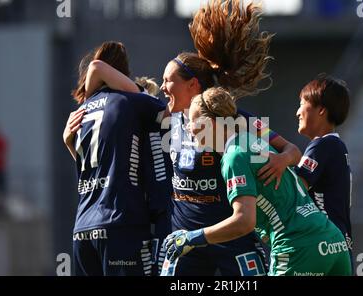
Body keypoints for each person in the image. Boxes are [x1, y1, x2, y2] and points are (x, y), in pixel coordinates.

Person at [73, 0, 302, 276]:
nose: (164, 86)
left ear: (192, 85)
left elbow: (291, 149)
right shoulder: (161, 116)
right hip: (184, 243)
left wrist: (282, 159)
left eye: (169, 80)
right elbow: (99, 73)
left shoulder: (231, 118)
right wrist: (78, 120)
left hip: (229, 237)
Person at [164, 87, 352, 276]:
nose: (188, 127)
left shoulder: (234, 156)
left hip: (297, 245)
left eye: (194, 121)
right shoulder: (249, 139)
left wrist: (193, 237)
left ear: (211, 123)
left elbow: (244, 221)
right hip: (333, 242)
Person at [63, 41, 171, 276]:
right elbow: (168, 113)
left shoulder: (83, 114)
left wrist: (67, 141)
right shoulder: (130, 100)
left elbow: (88, 165)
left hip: (83, 230)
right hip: (119, 223)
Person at [293, 74, 353, 261]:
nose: (297, 112)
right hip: (341, 243)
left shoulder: (322, 145)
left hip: (323, 244)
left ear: (321, 110)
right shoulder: (337, 146)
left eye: (302, 103)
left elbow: (295, 189)